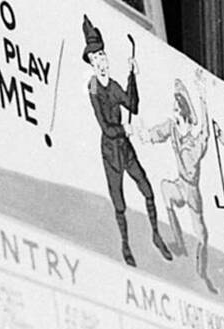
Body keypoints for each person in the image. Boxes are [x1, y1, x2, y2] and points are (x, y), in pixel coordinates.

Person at [81, 15, 173, 267]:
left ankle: (155, 234)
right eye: (96, 57)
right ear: (90, 61)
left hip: (125, 147)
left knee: (146, 188)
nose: (101, 61)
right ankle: (125, 244)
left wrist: (133, 77)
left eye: (103, 56)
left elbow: (131, 104)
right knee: (118, 200)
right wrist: (124, 128)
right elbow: (105, 126)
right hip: (111, 150)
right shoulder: (94, 89)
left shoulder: (113, 85)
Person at [141, 70, 216, 293]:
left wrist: (202, 97)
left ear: (183, 111)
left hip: (192, 191)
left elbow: (206, 132)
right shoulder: (173, 128)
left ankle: (202, 273)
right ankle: (179, 242)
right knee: (165, 188)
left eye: (176, 109)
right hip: (179, 184)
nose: (173, 113)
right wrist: (145, 134)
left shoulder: (195, 142)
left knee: (201, 232)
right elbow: (157, 132)